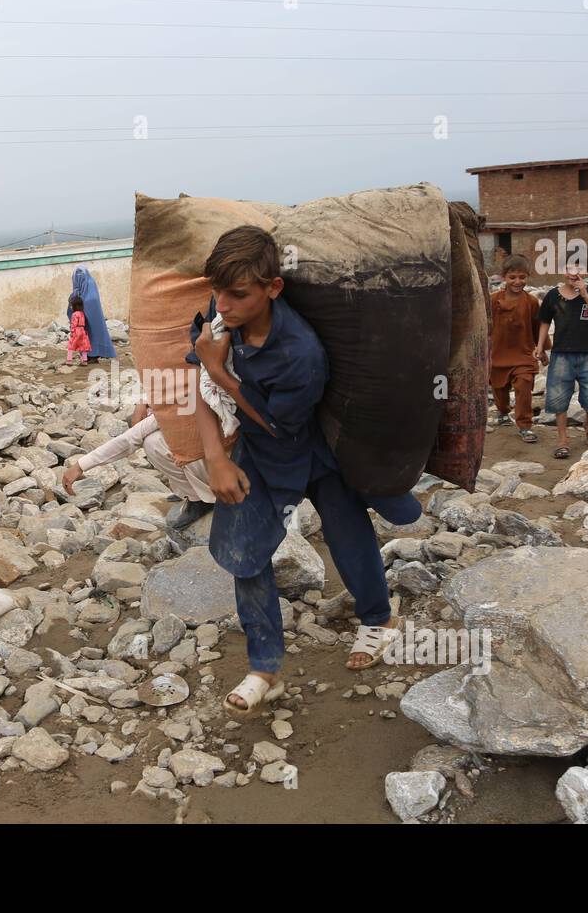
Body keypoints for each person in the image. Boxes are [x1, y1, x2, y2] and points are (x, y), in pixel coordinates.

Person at [187, 226, 422, 713]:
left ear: (273, 289)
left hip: (314, 450)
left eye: (238, 294)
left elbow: (276, 422)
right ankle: (264, 668)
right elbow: (203, 390)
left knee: (345, 533)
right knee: (245, 553)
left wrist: (218, 372)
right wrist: (215, 458)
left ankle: (378, 620)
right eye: (218, 292)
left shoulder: (301, 354)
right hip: (258, 458)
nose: (224, 305)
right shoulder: (223, 318)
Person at [64, 398, 216, 530]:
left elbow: (128, 440)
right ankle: (188, 490)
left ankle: (200, 499)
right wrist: (143, 402)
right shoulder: (175, 392)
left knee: (155, 442)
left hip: (221, 463)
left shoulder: (179, 400)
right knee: (158, 438)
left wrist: (79, 466)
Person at [536, 261, 588, 459]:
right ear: (561, 271)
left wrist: (585, 294)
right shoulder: (552, 295)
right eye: (569, 269)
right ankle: (562, 438)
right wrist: (540, 346)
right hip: (561, 353)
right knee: (558, 397)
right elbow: (544, 322)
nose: (573, 274)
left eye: (579, 269)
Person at [490, 254, 543, 444]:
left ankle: (525, 426)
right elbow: (485, 327)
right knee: (499, 389)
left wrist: (543, 350)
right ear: (504, 277)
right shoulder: (493, 301)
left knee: (524, 386)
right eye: (512, 277)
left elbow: (538, 328)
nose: (517, 281)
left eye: (522, 277)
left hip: (523, 356)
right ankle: (503, 411)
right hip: (498, 355)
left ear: (527, 277)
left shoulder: (531, 302)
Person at [68, 265, 116, 363]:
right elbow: (75, 297)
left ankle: (94, 356)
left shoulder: (89, 283)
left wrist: (82, 305)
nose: (78, 277)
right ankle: (87, 356)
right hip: (82, 316)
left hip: (93, 315)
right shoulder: (80, 287)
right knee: (84, 337)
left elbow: (92, 299)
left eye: (80, 274)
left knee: (94, 333)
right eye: (76, 275)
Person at [65, 295, 91, 364]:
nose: (70, 307)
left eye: (71, 305)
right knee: (83, 346)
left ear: (75, 306)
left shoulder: (74, 314)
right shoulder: (82, 313)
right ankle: (84, 360)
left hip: (76, 331)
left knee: (71, 345)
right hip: (82, 330)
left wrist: (72, 332)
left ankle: (69, 360)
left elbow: (73, 324)